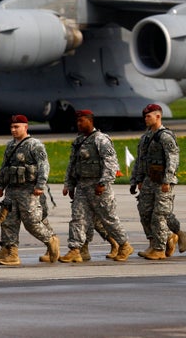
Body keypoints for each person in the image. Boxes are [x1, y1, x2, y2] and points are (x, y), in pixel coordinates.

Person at [59, 110, 134, 262]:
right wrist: (69, 184)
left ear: (90, 121)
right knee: (77, 218)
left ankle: (124, 245)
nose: (79, 124)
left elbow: (111, 164)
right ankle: (75, 249)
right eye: (77, 121)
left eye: (82, 121)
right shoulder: (79, 140)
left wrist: (103, 183)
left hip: (98, 188)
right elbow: (72, 164)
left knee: (108, 219)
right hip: (82, 186)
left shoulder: (101, 139)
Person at [0, 114, 59, 266]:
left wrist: (40, 185)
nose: (13, 130)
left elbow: (43, 166)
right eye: (12, 127)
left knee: (31, 222)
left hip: (29, 190)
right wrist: (0, 185)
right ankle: (10, 252)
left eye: (16, 127)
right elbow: (4, 167)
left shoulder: (35, 145)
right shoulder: (10, 146)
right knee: (8, 221)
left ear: (25, 127)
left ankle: (51, 240)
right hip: (12, 189)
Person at [130, 104, 186, 260]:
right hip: (149, 180)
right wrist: (137, 180)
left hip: (163, 181)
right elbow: (140, 161)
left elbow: (173, 159)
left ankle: (159, 249)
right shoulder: (146, 137)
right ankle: (159, 240)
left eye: (148, 116)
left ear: (158, 116)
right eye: (145, 116)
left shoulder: (165, 136)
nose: (146, 119)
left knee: (159, 216)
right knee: (144, 213)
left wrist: (167, 180)